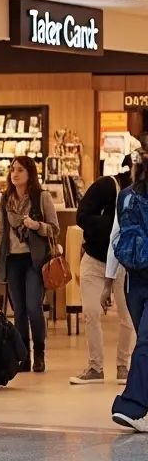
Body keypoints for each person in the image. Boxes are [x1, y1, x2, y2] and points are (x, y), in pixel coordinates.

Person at [0, 155, 58, 373]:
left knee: (33, 307)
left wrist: (37, 225)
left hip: (35, 260)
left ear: (30, 173)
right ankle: (23, 356)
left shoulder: (41, 197)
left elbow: (54, 229)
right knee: (18, 310)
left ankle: (39, 352)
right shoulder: (6, 199)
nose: (15, 174)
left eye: (20, 170)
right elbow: (0, 232)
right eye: (12, 170)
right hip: (13, 260)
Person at [73, 154, 134, 385]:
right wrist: (113, 225)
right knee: (91, 312)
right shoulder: (106, 186)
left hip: (123, 263)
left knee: (127, 316)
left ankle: (122, 366)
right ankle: (95, 367)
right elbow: (82, 216)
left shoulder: (140, 195)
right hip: (94, 259)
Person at [108, 153, 148, 431]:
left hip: (133, 280)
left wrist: (109, 279)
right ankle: (132, 406)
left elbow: (115, 237)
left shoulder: (126, 196)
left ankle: (134, 403)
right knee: (146, 342)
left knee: (145, 341)